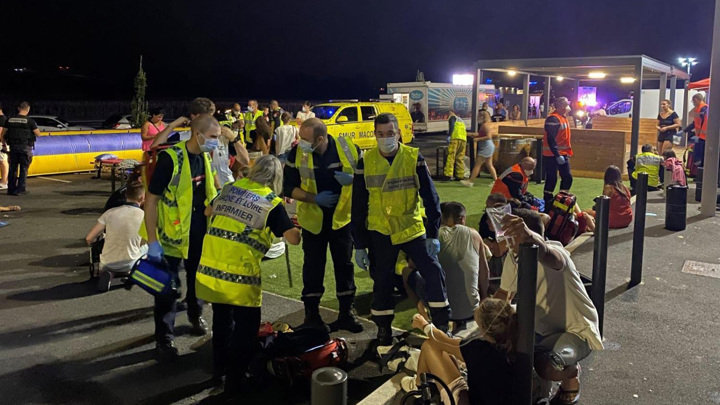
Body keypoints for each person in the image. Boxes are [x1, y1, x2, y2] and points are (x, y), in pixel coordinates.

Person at [195, 155, 301, 395]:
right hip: (239, 276)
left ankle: (219, 369)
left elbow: (208, 210)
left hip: (211, 269)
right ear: (276, 178)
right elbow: (293, 238)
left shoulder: (230, 187)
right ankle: (235, 381)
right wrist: (297, 227)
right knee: (246, 329)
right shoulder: (270, 202)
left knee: (222, 321)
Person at [352, 113, 451, 343]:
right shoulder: (365, 162)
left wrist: (433, 234)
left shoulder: (413, 157)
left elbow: (431, 198)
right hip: (381, 231)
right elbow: (358, 207)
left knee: (433, 272)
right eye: (381, 134)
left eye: (390, 133)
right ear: (375, 135)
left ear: (398, 133)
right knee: (382, 281)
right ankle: (383, 330)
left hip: (410, 227)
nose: (386, 138)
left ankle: (442, 325)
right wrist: (360, 244)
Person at [495, 209, 603, 405]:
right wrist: (483, 318)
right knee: (501, 347)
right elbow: (503, 295)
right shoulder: (514, 257)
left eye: (513, 236)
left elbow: (547, 254)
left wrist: (529, 238)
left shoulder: (556, 252)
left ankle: (571, 374)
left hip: (576, 331)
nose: (507, 242)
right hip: (541, 329)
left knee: (546, 365)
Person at [143, 114, 221, 361]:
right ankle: (164, 339)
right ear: (197, 134)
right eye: (213, 137)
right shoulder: (171, 159)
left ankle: (195, 315)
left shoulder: (205, 157)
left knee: (198, 282)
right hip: (171, 238)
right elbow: (151, 201)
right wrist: (152, 240)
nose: (216, 142)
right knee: (167, 291)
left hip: (199, 233)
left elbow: (210, 190)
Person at [284, 118, 363, 332]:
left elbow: (366, 178)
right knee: (313, 268)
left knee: (344, 266)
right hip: (313, 221)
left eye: (305, 139)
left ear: (320, 139)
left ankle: (347, 313)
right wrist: (314, 199)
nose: (300, 142)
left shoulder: (348, 148)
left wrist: (353, 180)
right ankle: (312, 315)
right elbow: (288, 187)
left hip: (341, 220)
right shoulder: (296, 154)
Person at [402, 299, 516, 405]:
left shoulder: (479, 349)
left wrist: (424, 324)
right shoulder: (520, 343)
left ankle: (419, 388)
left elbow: (441, 341)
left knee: (429, 346)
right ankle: (422, 385)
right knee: (451, 356)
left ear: (486, 330)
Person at [436, 202, 488, 330]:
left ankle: (424, 315)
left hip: (441, 309)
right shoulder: (473, 234)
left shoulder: (433, 235)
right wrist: (484, 298)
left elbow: (414, 265)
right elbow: (484, 271)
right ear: (461, 218)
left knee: (407, 272)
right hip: (472, 310)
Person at [85, 182, 147, 273]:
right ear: (142, 198)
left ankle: (109, 272)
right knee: (148, 246)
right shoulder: (144, 216)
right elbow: (145, 241)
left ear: (125, 196)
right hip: (130, 263)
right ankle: (134, 271)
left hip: (106, 263)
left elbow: (89, 238)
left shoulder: (109, 213)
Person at [1, 102, 41, 196]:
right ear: (28, 109)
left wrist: (4, 144)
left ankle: (11, 189)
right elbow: (38, 134)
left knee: (13, 168)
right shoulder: (30, 121)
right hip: (25, 148)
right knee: (23, 169)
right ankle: (21, 189)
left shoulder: (10, 119)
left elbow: (3, 134)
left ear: (19, 108)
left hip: (13, 147)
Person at [542, 97, 573, 211]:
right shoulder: (553, 119)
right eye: (566, 104)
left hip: (561, 154)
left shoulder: (562, 118)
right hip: (552, 155)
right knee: (552, 179)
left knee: (567, 177)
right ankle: (548, 204)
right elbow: (551, 139)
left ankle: (561, 201)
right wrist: (557, 154)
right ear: (561, 106)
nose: (568, 107)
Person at [149, 97, 217, 149]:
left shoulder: (218, 137)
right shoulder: (181, 137)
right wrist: (172, 125)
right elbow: (155, 148)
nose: (209, 121)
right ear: (193, 117)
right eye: (205, 118)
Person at [461, 111, 497, 186]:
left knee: (477, 164)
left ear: (483, 117)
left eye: (479, 116)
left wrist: (477, 139)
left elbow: (489, 136)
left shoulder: (485, 125)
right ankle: (497, 181)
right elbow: (480, 134)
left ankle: (470, 181)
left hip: (486, 147)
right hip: (489, 146)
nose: (478, 118)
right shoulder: (485, 125)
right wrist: (470, 134)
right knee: (489, 165)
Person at [677, 93, 708, 167]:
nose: (693, 103)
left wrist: (699, 136)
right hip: (700, 136)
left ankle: (700, 171)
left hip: (703, 137)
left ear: (696, 100)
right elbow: (695, 123)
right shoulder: (698, 109)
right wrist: (684, 130)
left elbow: (705, 123)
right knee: (697, 156)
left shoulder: (703, 109)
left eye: (693, 101)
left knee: (700, 157)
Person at [444, 110, 467, 181]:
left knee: (451, 156)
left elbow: (452, 126)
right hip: (463, 139)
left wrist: (449, 135)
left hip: (455, 138)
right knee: (460, 157)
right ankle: (460, 175)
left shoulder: (452, 117)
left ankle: (448, 174)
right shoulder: (461, 120)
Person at [0, 103, 8, 190]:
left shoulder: (2, 119)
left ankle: (4, 182)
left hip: (1, 143)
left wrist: (3, 144)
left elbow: (1, 133)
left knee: (3, 161)